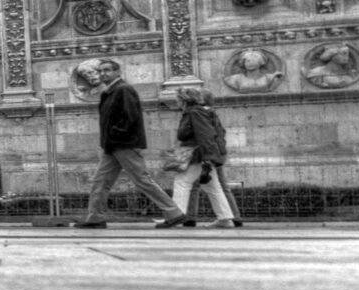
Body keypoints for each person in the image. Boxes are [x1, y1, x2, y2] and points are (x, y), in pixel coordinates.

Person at [76, 63, 192, 229]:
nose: (102, 74)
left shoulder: (123, 89)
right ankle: (95, 217)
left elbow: (129, 117)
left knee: (142, 180)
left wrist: (115, 134)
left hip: (124, 144)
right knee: (100, 181)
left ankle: (174, 213)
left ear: (117, 72)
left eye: (107, 70)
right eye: (100, 71)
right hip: (113, 146)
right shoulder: (110, 91)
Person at [171, 83, 241, 228]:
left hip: (197, 155)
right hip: (204, 155)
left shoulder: (194, 112)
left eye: (177, 99)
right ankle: (225, 218)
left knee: (182, 183)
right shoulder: (199, 111)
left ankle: (175, 217)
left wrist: (208, 159)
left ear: (184, 100)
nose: (176, 102)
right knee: (213, 186)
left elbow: (205, 136)